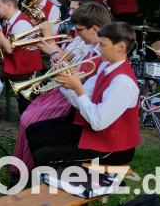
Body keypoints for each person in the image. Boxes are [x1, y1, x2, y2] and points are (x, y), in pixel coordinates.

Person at [26, 22, 139, 168]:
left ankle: (55, 187)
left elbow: (98, 122)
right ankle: (42, 184)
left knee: (43, 154)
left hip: (113, 147)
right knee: (34, 132)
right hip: (96, 132)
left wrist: (77, 89)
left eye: (103, 45)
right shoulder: (107, 65)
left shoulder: (123, 82)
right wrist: (66, 82)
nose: (99, 49)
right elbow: (85, 96)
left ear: (121, 47)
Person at [13, 2, 110, 171]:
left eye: (79, 30)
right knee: (29, 118)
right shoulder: (89, 44)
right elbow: (73, 70)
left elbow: (81, 83)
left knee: (30, 119)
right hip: (70, 95)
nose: (77, 33)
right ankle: (25, 169)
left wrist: (52, 47)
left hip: (75, 104)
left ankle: (32, 171)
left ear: (94, 29)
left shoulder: (99, 52)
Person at [0, 0, 44, 113]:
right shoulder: (14, 20)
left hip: (22, 68)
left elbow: (9, 48)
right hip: (16, 63)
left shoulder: (21, 24)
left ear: (8, 5)